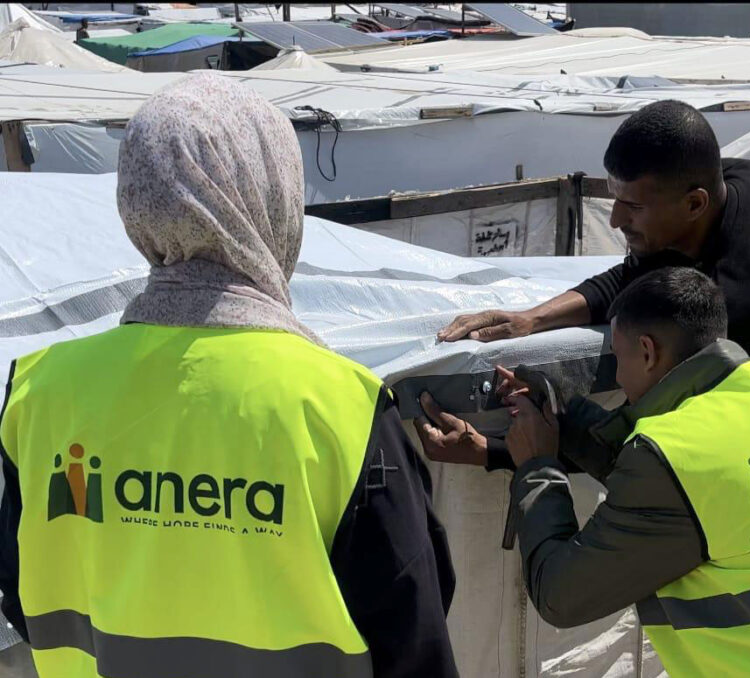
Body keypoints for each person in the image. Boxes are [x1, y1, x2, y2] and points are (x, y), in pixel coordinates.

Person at [0, 73, 457, 678]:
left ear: (139, 201)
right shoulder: (338, 411)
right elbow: (414, 642)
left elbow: (23, 593)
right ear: (268, 200)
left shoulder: (40, 393)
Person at [435, 100, 750, 577]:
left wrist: (508, 451)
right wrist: (533, 320)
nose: (616, 219)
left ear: (694, 203)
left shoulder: (746, 303)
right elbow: (634, 275)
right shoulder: (742, 182)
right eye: (614, 199)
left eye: (633, 207)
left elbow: (651, 446)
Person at [431, 267, 750, 677]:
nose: (618, 372)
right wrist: (556, 420)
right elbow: (696, 495)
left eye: (617, 357)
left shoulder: (673, 456)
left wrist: (538, 468)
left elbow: (561, 593)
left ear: (649, 351)